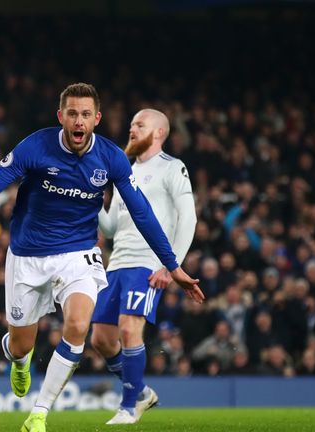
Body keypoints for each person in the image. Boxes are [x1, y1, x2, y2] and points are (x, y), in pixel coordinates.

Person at [0, 83, 204, 432]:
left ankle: (39, 413)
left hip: (79, 253)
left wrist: (173, 265)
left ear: (97, 119)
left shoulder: (112, 158)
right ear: (61, 116)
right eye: (72, 113)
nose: (78, 121)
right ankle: (18, 358)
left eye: (86, 114)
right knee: (19, 345)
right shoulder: (36, 146)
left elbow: (143, 214)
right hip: (28, 255)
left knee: (77, 326)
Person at [91, 108, 198, 424]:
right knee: (101, 339)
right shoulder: (124, 172)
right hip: (117, 265)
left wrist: (171, 265)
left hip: (148, 263)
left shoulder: (172, 167)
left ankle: (127, 408)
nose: (132, 128)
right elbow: (110, 229)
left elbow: (188, 217)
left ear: (160, 132)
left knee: (128, 329)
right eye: (131, 124)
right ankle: (140, 392)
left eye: (140, 124)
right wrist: (96, 198)